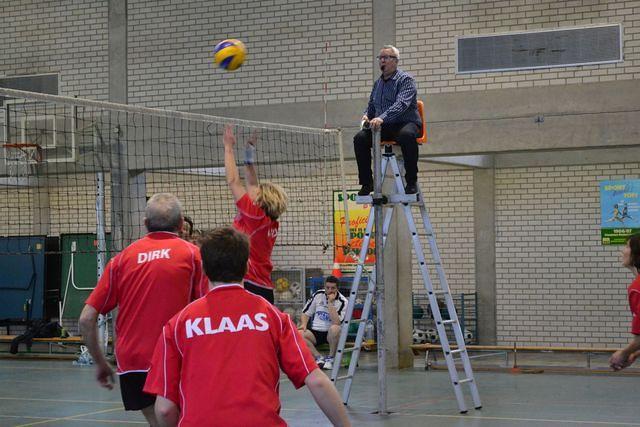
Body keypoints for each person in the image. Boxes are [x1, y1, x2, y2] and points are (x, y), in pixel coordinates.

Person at [144, 227, 351, 427]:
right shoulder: (272, 317)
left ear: (204, 269)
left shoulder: (178, 324)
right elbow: (317, 381)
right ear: (247, 267)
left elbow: (165, 409)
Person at [79, 193, 207, 426]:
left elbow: (86, 319)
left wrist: (100, 363)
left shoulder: (121, 260)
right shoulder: (192, 255)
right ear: (181, 225)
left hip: (132, 361)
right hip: (176, 358)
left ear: (146, 224)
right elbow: (207, 309)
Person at [223, 124, 288, 303]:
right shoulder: (270, 220)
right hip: (264, 287)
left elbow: (234, 181)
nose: (254, 190)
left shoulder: (255, 215)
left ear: (260, 200)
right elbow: (251, 184)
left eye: (258, 191)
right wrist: (249, 153)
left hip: (250, 285)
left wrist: (228, 148)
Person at [353, 44, 422, 196]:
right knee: (359, 139)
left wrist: (381, 118)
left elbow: (401, 104)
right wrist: (367, 115)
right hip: (385, 126)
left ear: (395, 61)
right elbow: (371, 105)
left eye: (385, 57)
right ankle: (367, 182)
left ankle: (411, 181)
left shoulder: (406, 80)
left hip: (405, 122)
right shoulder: (377, 84)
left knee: (407, 136)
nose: (382, 61)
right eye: (380, 58)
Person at [299, 275, 348, 370]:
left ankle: (330, 358)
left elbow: (337, 322)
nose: (329, 290)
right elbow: (306, 312)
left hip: (331, 334)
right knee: (299, 333)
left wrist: (330, 303)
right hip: (316, 331)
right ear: (324, 287)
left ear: (337, 288)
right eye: (327, 287)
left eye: (333, 288)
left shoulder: (343, 301)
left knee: (335, 328)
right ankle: (318, 357)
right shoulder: (318, 294)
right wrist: (304, 324)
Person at [609, 234, 640, 371]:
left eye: (627, 246)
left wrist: (624, 353)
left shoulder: (637, 289)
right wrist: (636, 353)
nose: (622, 251)